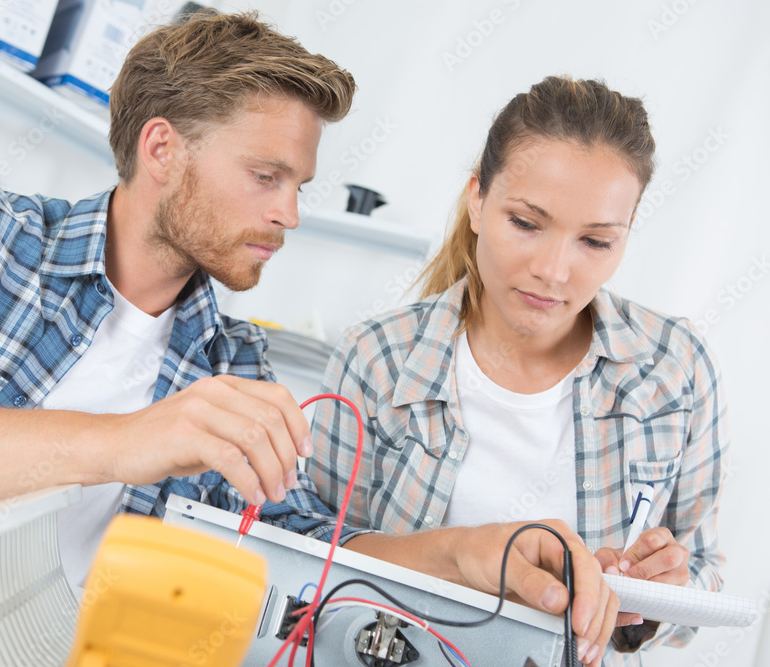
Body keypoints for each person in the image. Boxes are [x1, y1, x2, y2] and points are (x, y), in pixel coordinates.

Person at [0, 14, 615, 657]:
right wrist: (128, 442)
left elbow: (307, 544)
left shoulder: (230, 365)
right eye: (266, 176)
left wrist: (465, 554)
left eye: (298, 184)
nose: (288, 213)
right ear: (163, 149)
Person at [306, 76, 728, 666]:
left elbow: (704, 573)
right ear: (477, 199)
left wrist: (669, 593)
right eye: (527, 224)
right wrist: (453, 554)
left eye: (595, 241)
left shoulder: (675, 367)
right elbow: (312, 554)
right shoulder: (377, 357)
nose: (553, 270)